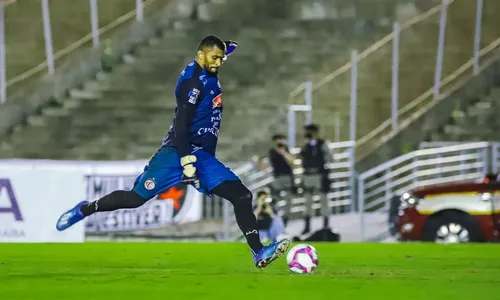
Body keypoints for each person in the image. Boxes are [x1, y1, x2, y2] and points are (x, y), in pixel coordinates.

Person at [56, 35, 289, 269]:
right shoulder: (193, 84)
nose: (218, 62)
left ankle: (259, 252)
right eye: (214, 58)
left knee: (242, 196)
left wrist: (226, 49)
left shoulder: (208, 66)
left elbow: (217, 54)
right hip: (177, 152)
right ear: (200, 56)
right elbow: (180, 125)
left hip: (203, 156)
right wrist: (187, 162)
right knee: (135, 199)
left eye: (221, 58)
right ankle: (85, 209)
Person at [299, 123, 333, 234]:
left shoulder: (322, 144)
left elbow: (330, 158)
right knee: (308, 201)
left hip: (319, 174)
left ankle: (325, 225)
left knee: (324, 200)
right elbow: (300, 158)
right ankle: (307, 226)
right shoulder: (306, 145)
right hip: (308, 174)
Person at [268, 134, 295, 225]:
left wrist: (283, 153)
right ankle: (274, 217)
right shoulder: (272, 151)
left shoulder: (286, 150)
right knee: (274, 199)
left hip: (287, 177)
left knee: (288, 200)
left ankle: (286, 219)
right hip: (278, 178)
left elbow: (292, 162)